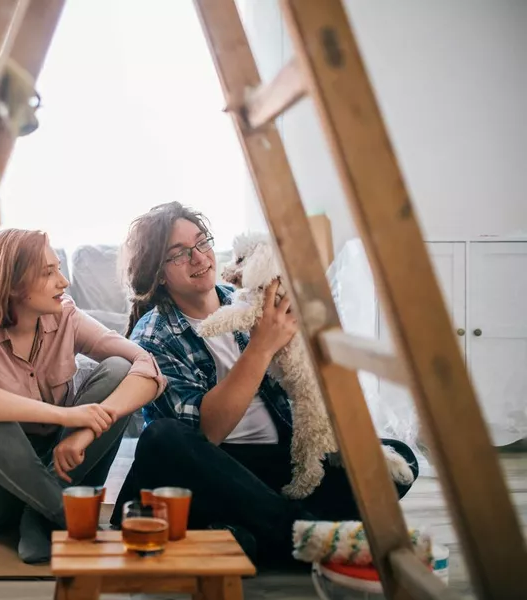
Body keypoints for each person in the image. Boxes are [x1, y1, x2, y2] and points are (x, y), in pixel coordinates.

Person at [112, 201, 418, 568]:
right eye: (179, 254)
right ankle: (302, 536)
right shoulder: (154, 334)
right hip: (213, 470)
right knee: (163, 438)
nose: (199, 258)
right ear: (159, 274)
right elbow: (207, 432)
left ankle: (251, 536)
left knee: (397, 457)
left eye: (201, 242)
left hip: (275, 465)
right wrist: (261, 345)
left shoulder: (249, 298)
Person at [0, 228, 165, 564]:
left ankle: (40, 513)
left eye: (58, 268)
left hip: (61, 466)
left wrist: (81, 435)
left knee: (116, 368)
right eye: (48, 272)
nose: (63, 281)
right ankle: (60, 511)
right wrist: (66, 416)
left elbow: (146, 366)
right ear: (11, 283)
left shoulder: (65, 315)